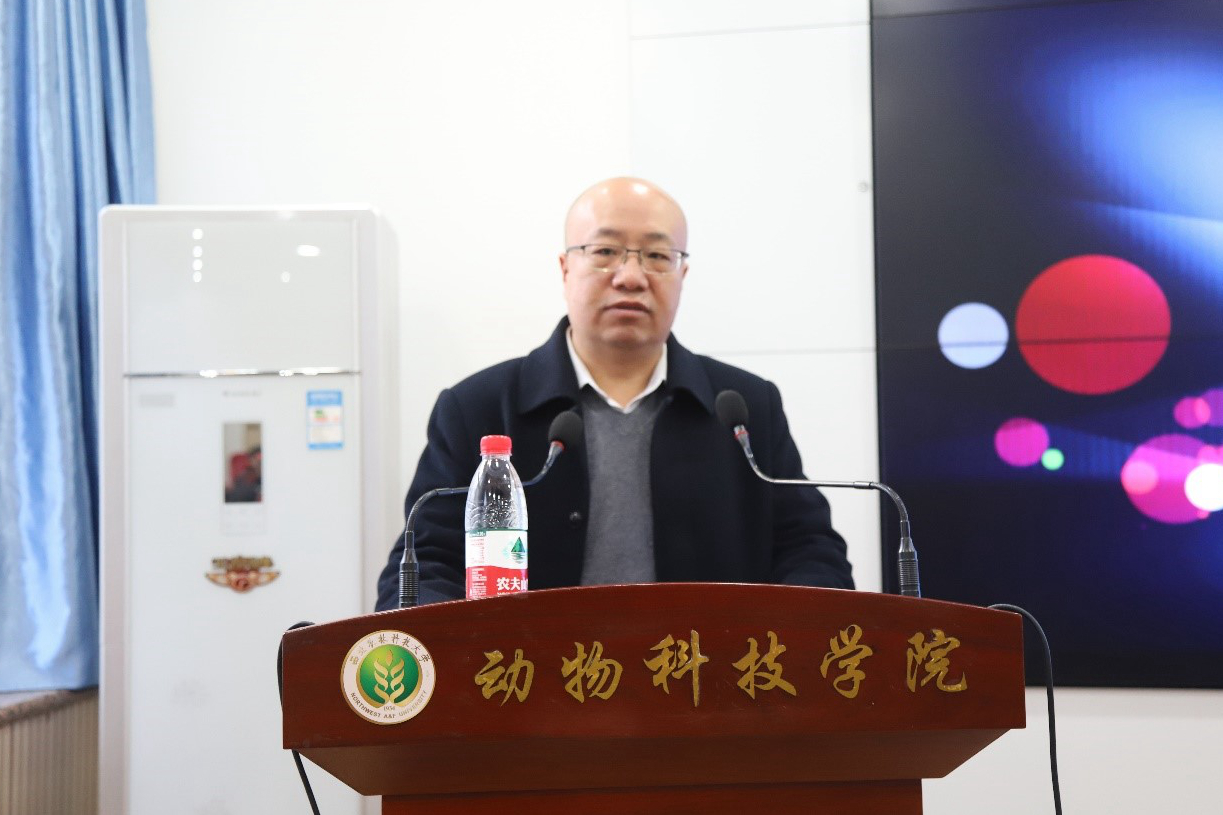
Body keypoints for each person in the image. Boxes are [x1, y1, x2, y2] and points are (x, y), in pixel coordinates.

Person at [375, 177, 852, 609]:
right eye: (605, 251)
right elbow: (424, 563)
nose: (631, 277)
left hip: (704, 672)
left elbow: (811, 551)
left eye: (658, 256)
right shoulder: (478, 408)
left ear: (682, 275)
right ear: (565, 268)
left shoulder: (744, 406)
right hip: (529, 672)